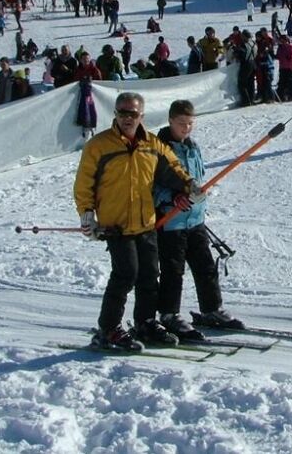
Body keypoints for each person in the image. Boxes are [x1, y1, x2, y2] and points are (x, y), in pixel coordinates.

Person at [74, 92, 196, 351]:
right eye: (122, 112)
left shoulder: (152, 144)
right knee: (125, 274)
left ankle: (145, 322)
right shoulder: (99, 146)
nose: (127, 118)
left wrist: (188, 185)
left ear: (142, 116)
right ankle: (107, 330)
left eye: (133, 113)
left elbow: (173, 168)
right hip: (115, 225)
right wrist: (87, 216)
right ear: (115, 114)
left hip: (146, 222)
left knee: (150, 275)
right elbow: (84, 184)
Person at [154, 100, 243, 341]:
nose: (186, 128)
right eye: (181, 123)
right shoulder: (158, 149)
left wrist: (200, 196)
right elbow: (149, 185)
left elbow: (198, 178)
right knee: (173, 270)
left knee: (205, 266)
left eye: (190, 123)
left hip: (195, 219)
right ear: (170, 120)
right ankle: (168, 314)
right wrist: (171, 198)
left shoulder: (193, 147)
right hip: (171, 221)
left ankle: (211, 309)